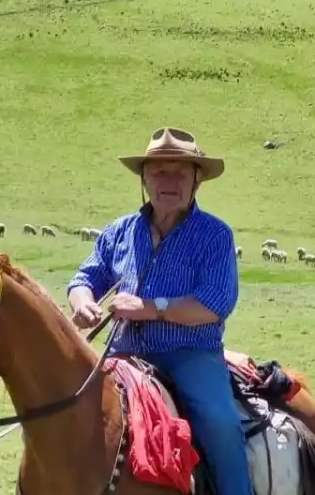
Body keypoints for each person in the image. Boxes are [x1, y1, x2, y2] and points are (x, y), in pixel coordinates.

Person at [66, 127, 253, 495]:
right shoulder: (119, 232)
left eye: (180, 173)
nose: (169, 182)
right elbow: (84, 278)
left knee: (220, 424)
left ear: (197, 180)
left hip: (190, 356)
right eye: (159, 172)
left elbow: (215, 303)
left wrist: (150, 308)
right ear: (144, 179)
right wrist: (83, 301)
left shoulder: (216, 236)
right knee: (67, 410)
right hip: (121, 355)